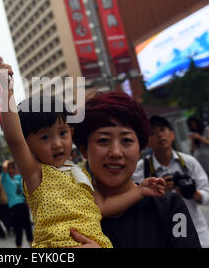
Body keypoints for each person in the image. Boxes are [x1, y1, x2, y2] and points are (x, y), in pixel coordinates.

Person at [0, 59, 165, 248]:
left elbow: (101, 207)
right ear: (27, 146)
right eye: (45, 138)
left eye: (62, 133)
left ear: (71, 133)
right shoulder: (36, 173)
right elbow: (14, 140)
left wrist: (141, 191)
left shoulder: (80, 173)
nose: (57, 144)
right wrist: (6, 90)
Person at [71, 91, 201, 248]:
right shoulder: (70, 213)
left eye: (127, 140)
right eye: (103, 140)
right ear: (84, 149)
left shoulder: (169, 207)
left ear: (139, 149)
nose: (116, 152)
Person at [133, 115, 209, 248]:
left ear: (172, 134)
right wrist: (159, 194)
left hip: (198, 233)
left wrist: (191, 192)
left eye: (163, 130)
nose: (160, 135)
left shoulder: (189, 162)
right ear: (147, 141)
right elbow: (135, 205)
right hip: (161, 237)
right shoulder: (140, 169)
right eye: (153, 133)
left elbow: (208, 196)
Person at [0, 160, 34, 248]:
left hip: (23, 205)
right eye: (10, 169)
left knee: (28, 228)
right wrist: (10, 161)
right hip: (14, 207)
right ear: (7, 170)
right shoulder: (5, 179)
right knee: (18, 230)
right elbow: (4, 166)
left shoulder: (18, 178)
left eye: (13, 168)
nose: (12, 170)